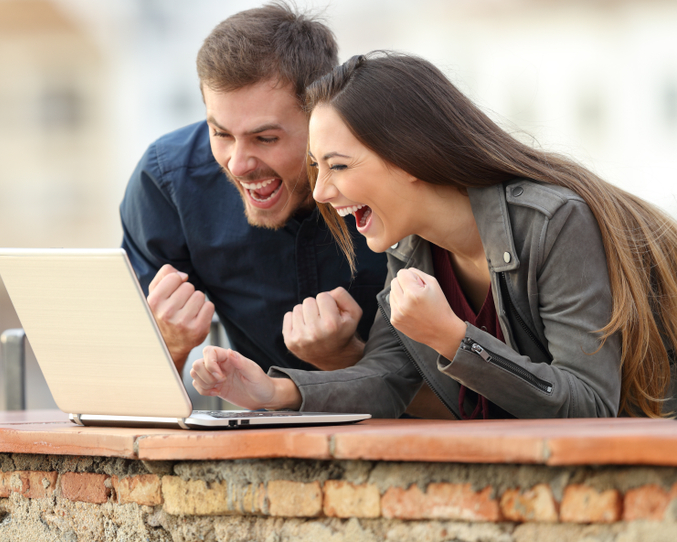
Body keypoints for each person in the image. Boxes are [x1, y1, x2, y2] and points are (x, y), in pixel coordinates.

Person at [191, 52, 677, 419]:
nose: (320, 192)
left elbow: (589, 407)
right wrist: (273, 392)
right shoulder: (411, 251)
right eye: (317, 167)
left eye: (338, 165)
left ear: (409, 157)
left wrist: (453, 337)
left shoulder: (553, 223)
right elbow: (387, 376)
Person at [120, 2, 388, 377]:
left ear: (322, 117)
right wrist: (169, 344)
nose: (237, 163)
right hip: (261, 429)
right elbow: (128, 390)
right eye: (221, 134)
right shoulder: (168, 183)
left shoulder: (392, 170)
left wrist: (345, 360)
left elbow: (458, 390)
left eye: (265, 138)